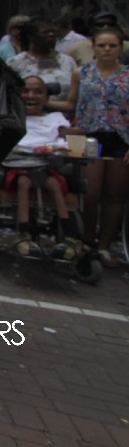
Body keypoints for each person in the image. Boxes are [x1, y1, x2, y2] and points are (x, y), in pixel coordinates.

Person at [62, 26, 129, 267]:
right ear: (94, 48)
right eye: (102, 45)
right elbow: (71, 104)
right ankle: (87, 241)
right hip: (88, 136)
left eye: (112, 45)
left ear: (120, 48)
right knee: (89, 193)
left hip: (121, 138)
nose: (107, 50)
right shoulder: (81, 73)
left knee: (114, 195)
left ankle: (104, 246)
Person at [3, 76, 83, 260]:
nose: (31, 96)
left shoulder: (55, 119)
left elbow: (67, 138)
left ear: (47, 98)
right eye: (25, 91)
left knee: (54, 184)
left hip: (45, 166)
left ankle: (70, 236)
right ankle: (23, 233)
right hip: (19, 166)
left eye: (38, 92)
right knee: (24, 183)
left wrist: (76, 133)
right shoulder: (11, 118)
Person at [8, 19, 78, 112]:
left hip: (62, 117)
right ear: (31, 36)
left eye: (53, 32)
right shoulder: (15, 62)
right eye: (46, 32)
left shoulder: (67, 61)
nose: (51, 35)